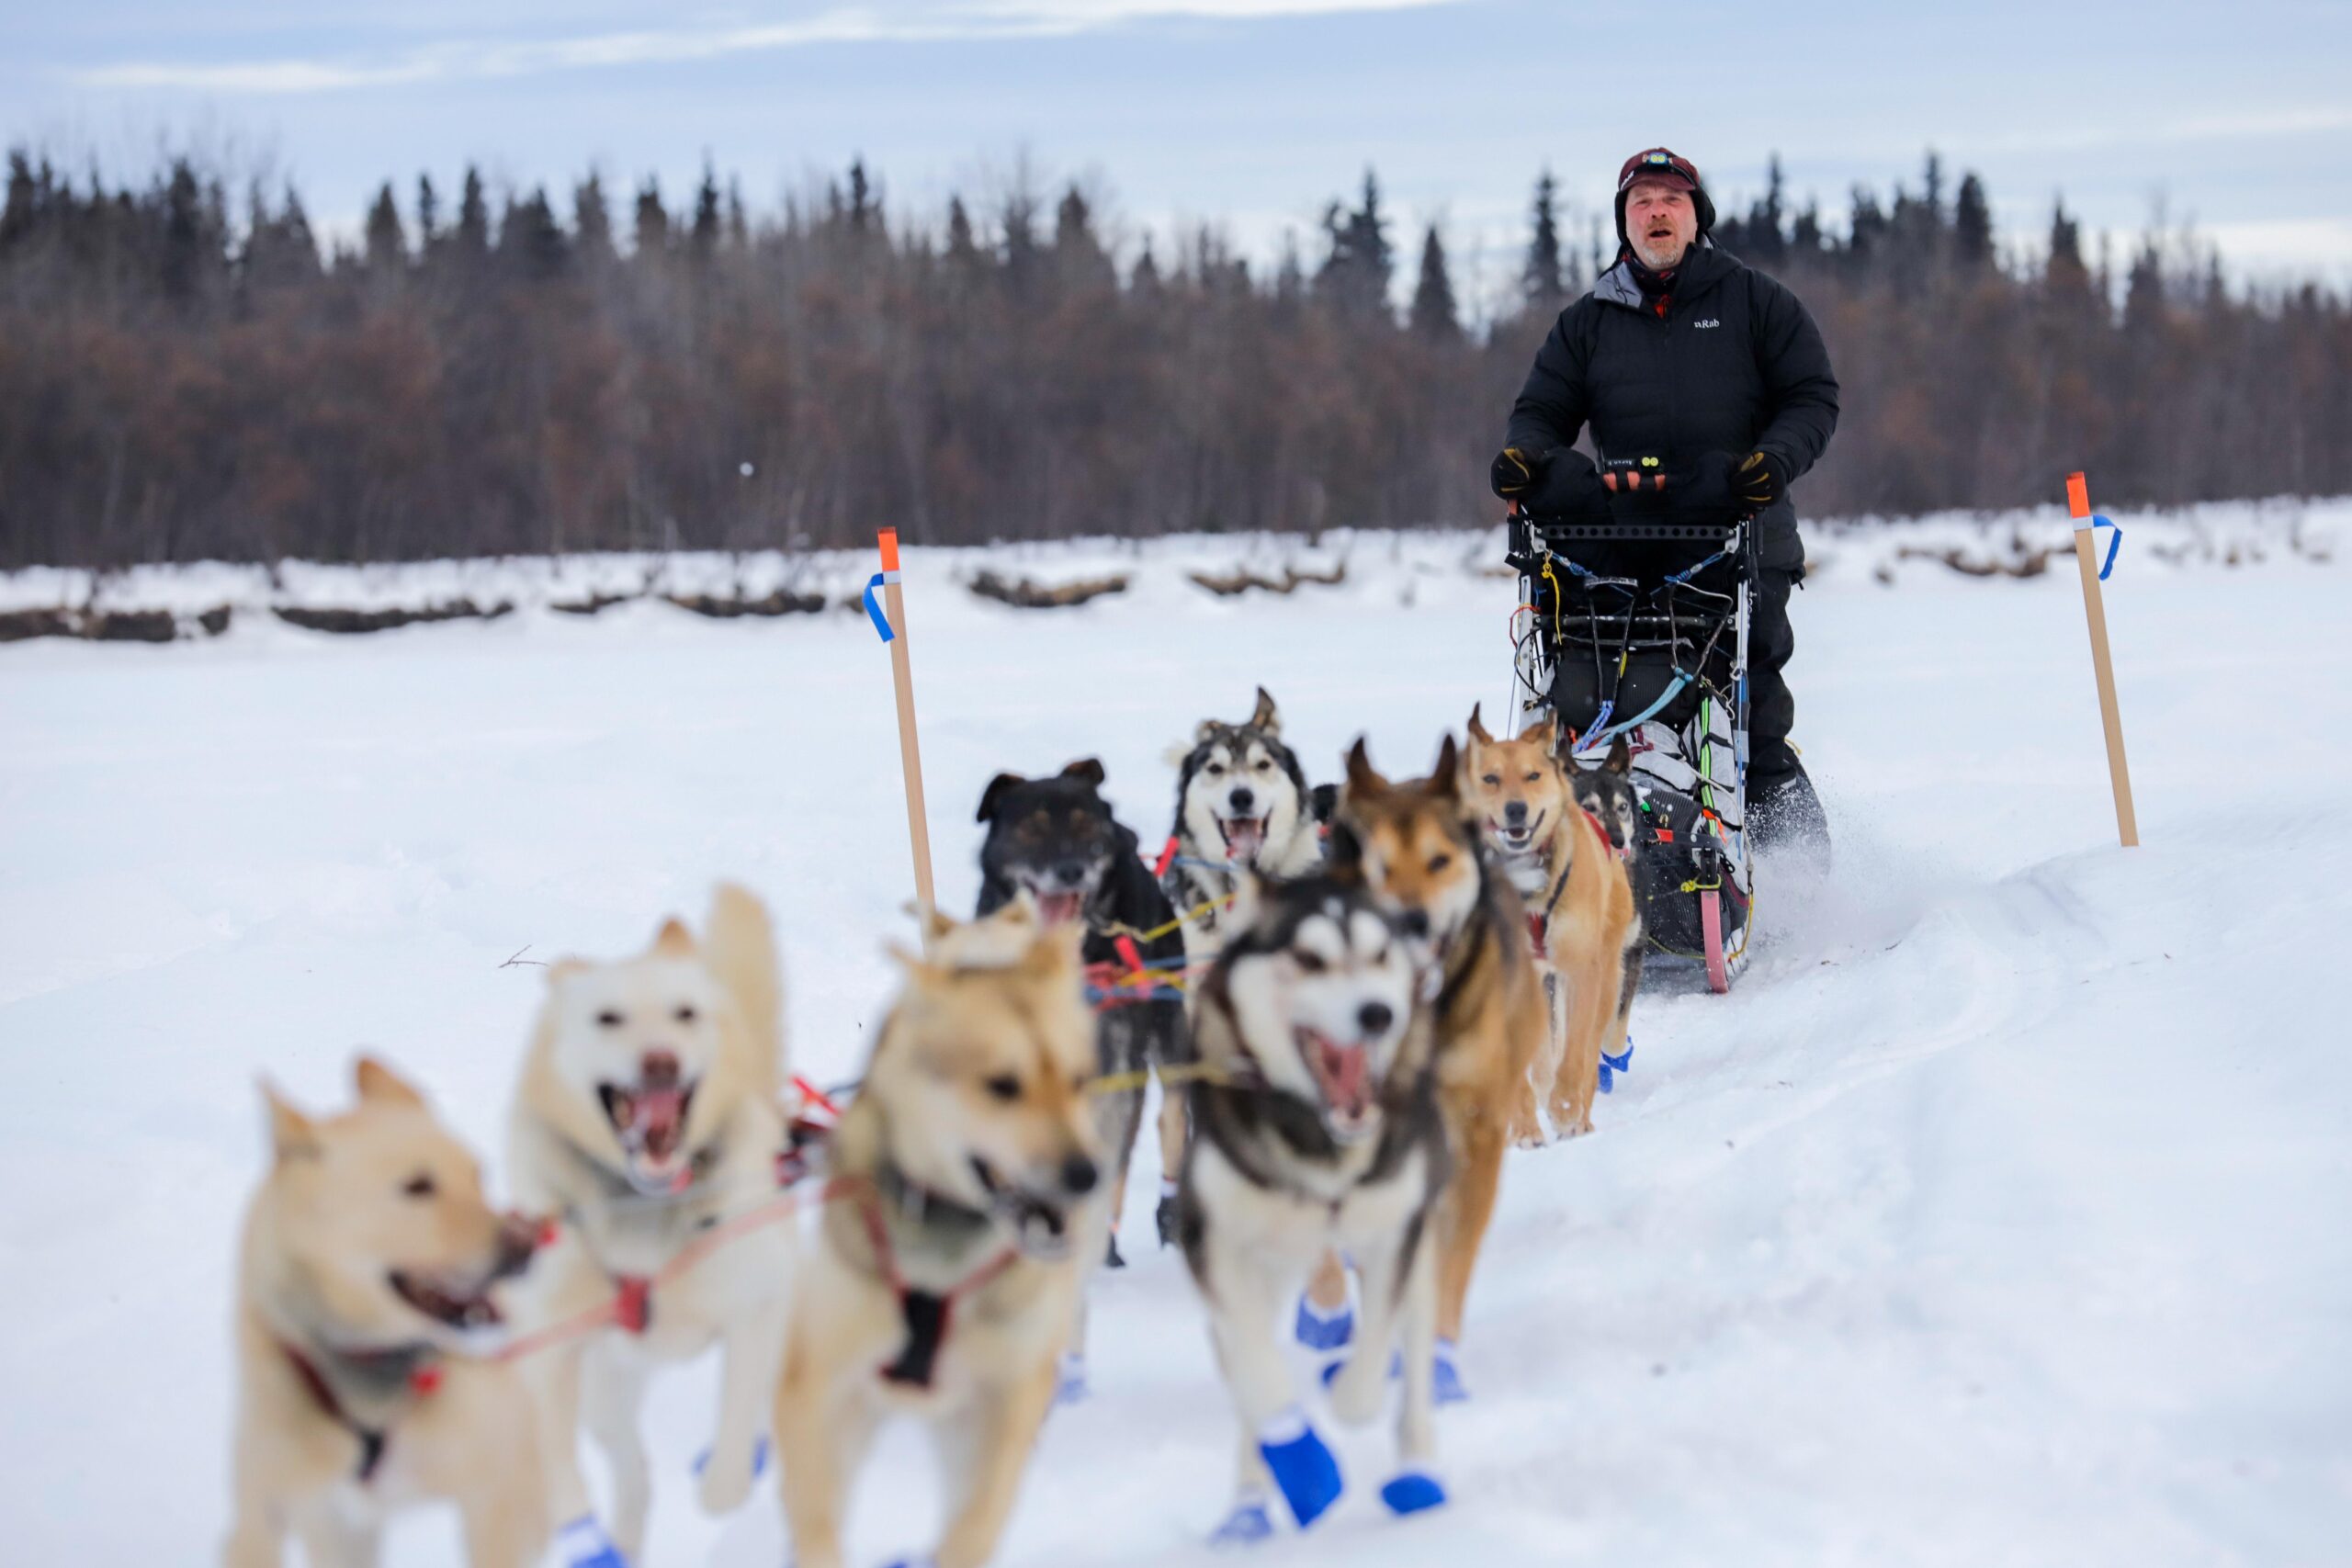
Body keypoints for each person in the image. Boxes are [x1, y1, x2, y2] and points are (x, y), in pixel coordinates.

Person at [1492, 147, 1838, 851]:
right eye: (1642, 201)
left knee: (1756, 714)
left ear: (1695, 216)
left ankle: (1796, 875)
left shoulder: (1756, 301)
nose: (1657, 212)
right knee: (1592, 690)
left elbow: (1812, 396)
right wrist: (1525, 459)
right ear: (1625, 222)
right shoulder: (1589, 319)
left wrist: (1771, 463)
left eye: (1671, 200)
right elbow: (1541, 412)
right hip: (1622, 541)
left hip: (1742, 530)